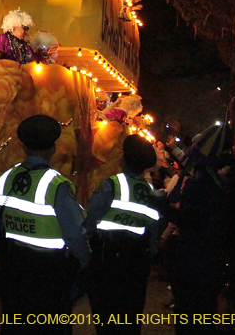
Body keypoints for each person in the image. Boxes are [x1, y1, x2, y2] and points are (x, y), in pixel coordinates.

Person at [0, 114, 90, 334]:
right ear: (52, 148)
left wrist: (1, 260)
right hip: (50, 273)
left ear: (23, 147)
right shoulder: (57, 185)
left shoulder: (3, 179)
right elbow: (75, 234)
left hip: (13, 268)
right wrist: (86, 261)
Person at [84, 135, 160, 334]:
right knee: (130, 319)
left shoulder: (110, 185)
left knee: (107, 320)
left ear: (123, 159)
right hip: (137, 263)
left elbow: (90, 222)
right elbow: (153, 231)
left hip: (107, 262)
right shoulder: (149, 191)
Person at [167, 123, 232, 334]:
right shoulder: (222, 185)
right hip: (211, 262)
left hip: (191, 260)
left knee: (189, 317)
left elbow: (189, 220)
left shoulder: (198, 187)